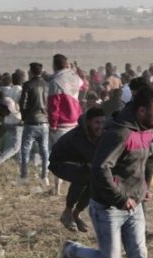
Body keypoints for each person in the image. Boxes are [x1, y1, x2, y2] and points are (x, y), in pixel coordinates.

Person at [57, 87, 153, 258]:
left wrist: (142, 188)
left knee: (139, 256)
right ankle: (72, 251)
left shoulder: (147, 130)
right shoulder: (119, 134)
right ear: (142, 111)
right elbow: (100, 168)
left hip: (134, 205)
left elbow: (141, 161)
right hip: (108, 206)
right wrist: (120, 198)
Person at [49, 107, 105, 232]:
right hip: (59, 163)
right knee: (84, 175)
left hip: (79, 163)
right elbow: (92, 158)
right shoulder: (78, 136)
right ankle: (67, 212)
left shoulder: (99, 133)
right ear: (89, 122)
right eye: (97, 122)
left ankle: (76, 214)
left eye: (103, 122)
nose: (100, 126)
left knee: (95, 180)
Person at [48, 54, 84, 194]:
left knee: (59, 156)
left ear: (54, 65)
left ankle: (57, 188)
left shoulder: (55, 81)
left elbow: (54, 105)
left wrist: (53, 124)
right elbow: (84, 85)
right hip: (76, 120)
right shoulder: (75, 77)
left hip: (61, 124)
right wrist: (76, 71)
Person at [19, 62, 50, 185]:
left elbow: (23, 103)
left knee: (25, 150)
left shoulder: (27, 85)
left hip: (31, 121)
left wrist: (24, 117)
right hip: (44, 122)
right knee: (45, 151)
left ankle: (24, 176)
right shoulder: (47, 85)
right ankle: (45, 176)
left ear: (30, 71)